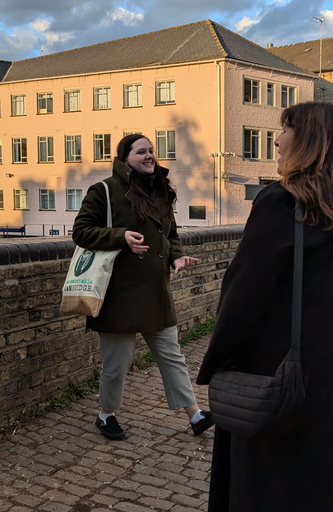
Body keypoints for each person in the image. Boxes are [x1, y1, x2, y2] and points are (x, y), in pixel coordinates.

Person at [197, 102, 333, 512]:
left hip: (282, 370)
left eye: (285, 131)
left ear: (309, 142)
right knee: (327, 477)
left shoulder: (282, 203)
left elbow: (243, 292)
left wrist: (218, 361)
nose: (278, 141)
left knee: (272, 483)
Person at [72, 134, 213, 441]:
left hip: (155, 292)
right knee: (117, 364)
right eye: (141, 152)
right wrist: (120, 236)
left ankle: (195, 414)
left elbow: (171, 234)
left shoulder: (160, 190)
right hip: (118, 294)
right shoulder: (105, 191)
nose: (149, 155)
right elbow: (81, 231)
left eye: (151, 150)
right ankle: (106, 414)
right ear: (125, 158)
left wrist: (176, 257)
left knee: (171, 356)